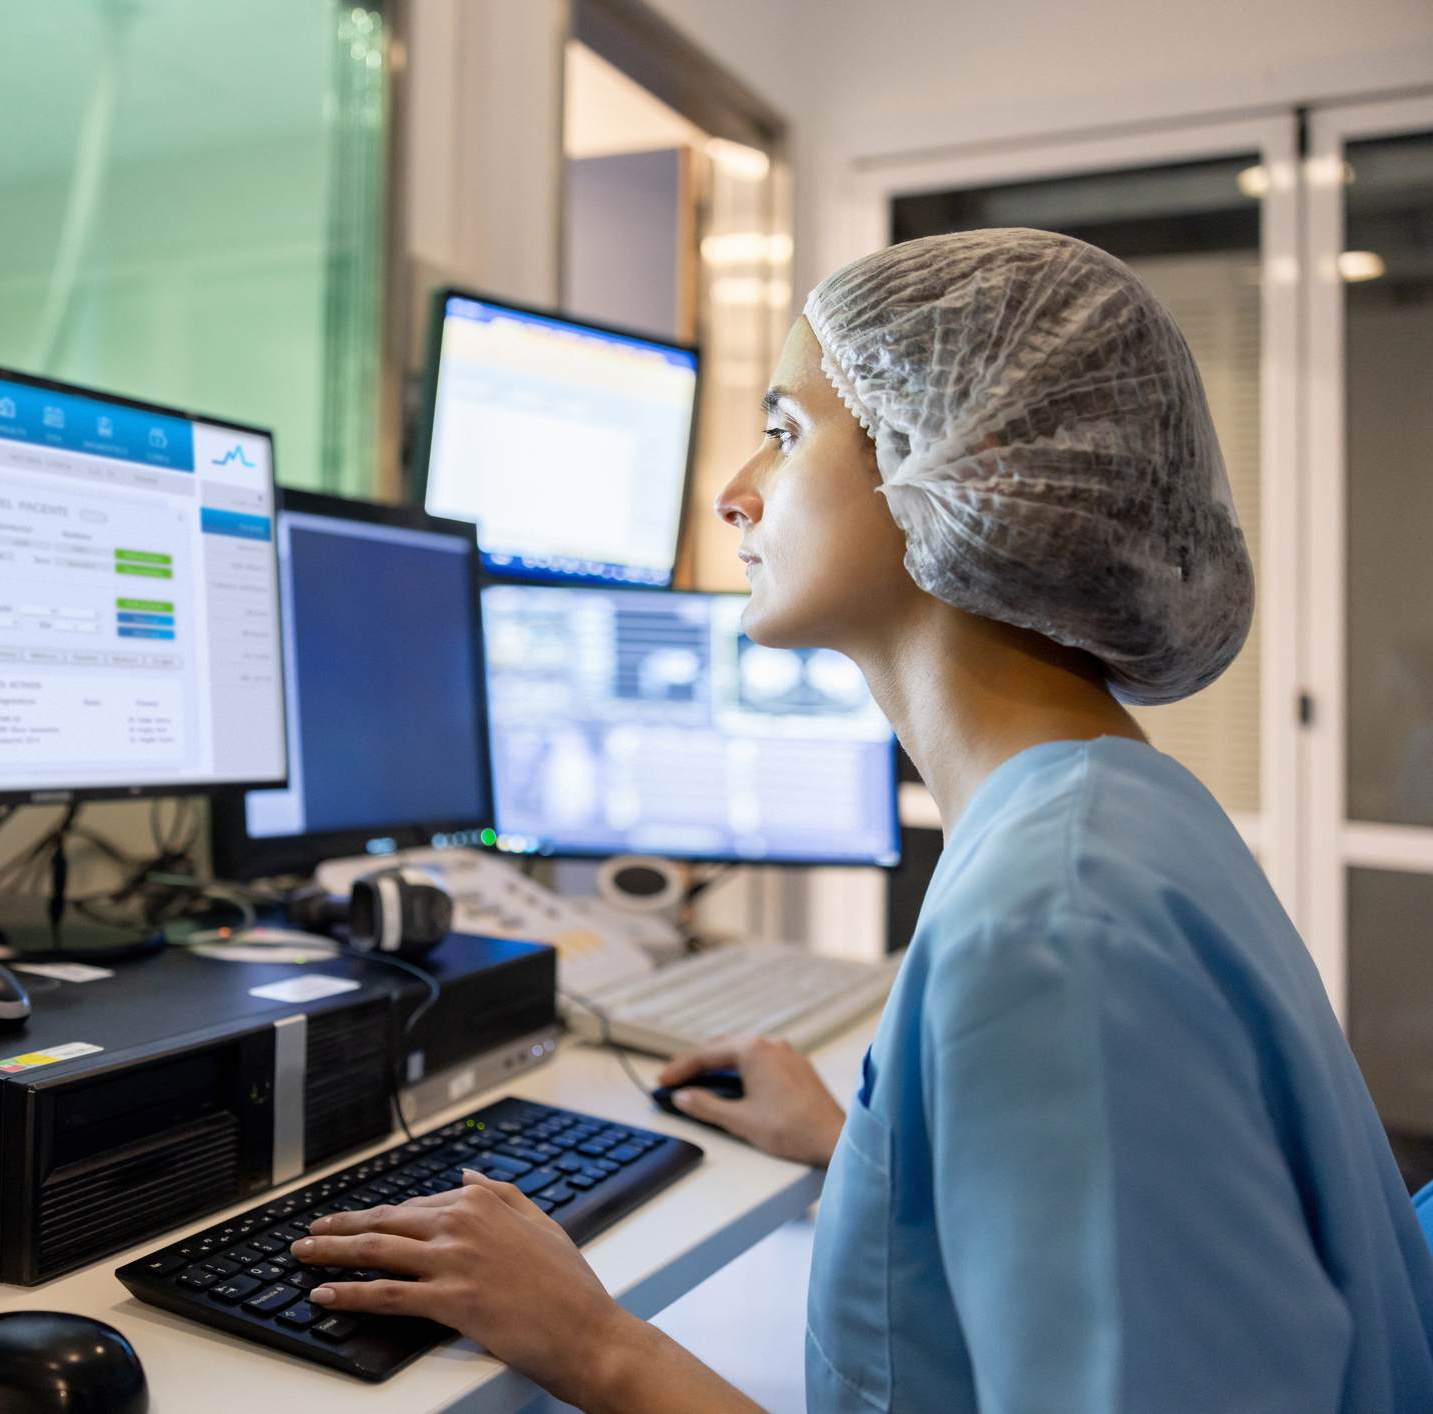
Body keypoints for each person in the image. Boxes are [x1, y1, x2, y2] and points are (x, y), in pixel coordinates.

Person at [287, 229, 1433, 1412]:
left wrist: (592, 1343)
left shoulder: (1051, 921)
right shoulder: (1117, 809)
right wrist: (878, 1160)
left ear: (952, 462)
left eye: (783, 433)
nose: (734, 492)